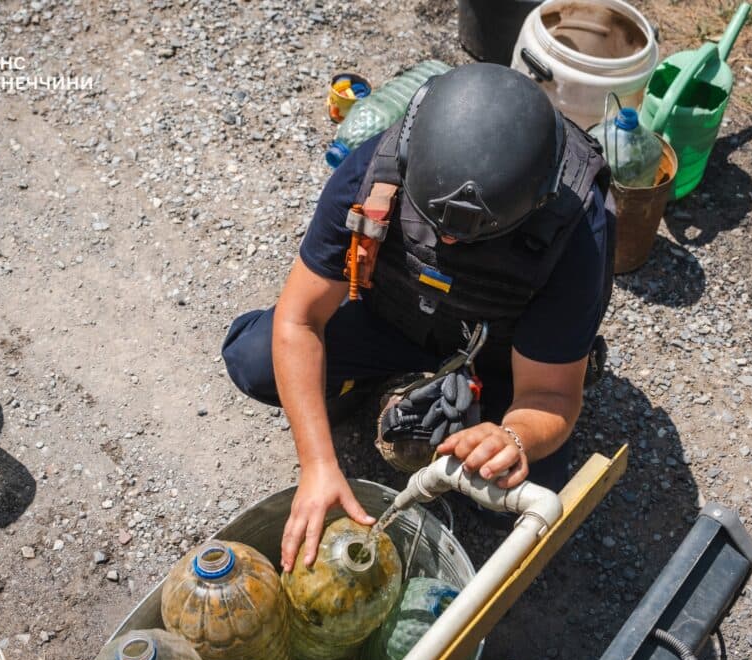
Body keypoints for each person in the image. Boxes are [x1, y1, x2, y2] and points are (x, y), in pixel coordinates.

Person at [222, 63, 615, 572]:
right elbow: (299, 321)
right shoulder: (378, 168)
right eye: (434, 223)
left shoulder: (577, 230)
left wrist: (511, 437)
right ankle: (370, 388)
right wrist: (318, 464)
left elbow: (552, 396)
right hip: (391, 319)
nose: (448, 242)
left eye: (476, 237)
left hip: (497, 357)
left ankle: (449, 399)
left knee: (513, 497)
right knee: (255, 359)